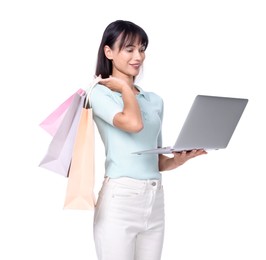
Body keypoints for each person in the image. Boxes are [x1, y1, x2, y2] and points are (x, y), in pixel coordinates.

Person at [90, 20, 207, 260]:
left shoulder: (154, 100)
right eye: (129, 49)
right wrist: (123, 87)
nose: (138, 56)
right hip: (120, 199)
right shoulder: (99, 93)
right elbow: (134, 124)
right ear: (108, 52)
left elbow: (157, 160)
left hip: (154, 200)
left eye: (142, 49)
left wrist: (179, 160)